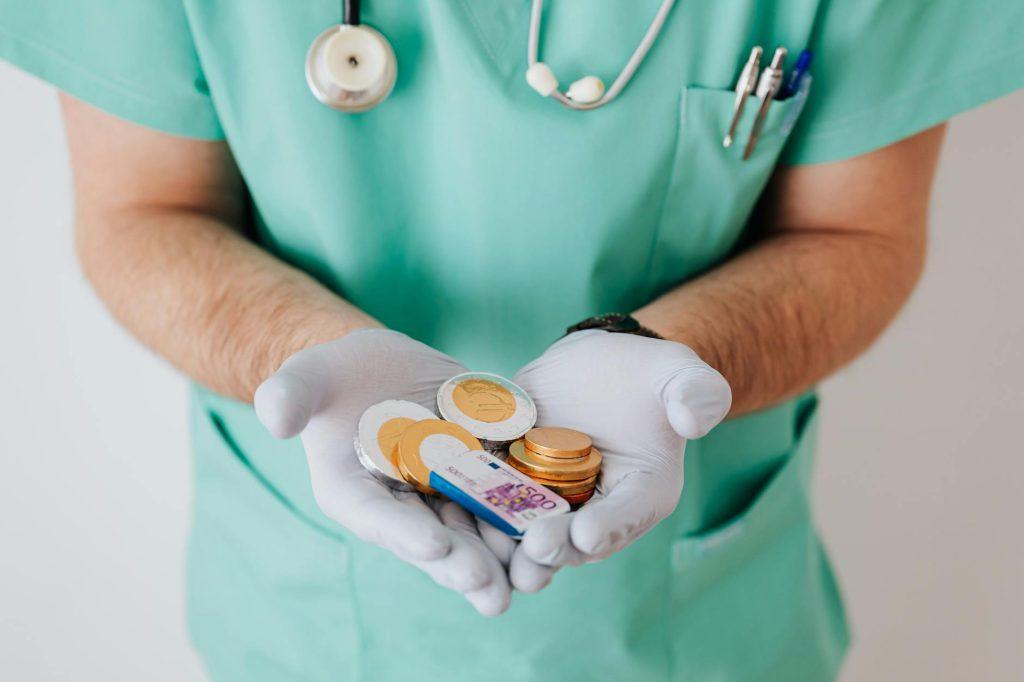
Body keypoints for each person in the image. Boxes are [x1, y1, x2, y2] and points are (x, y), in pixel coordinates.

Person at [2, 1, 1021, 679]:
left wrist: (671, 356)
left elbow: (860, 232)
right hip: (306, 616)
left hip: (697, 621)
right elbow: (141, 208)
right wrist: (299, 346)